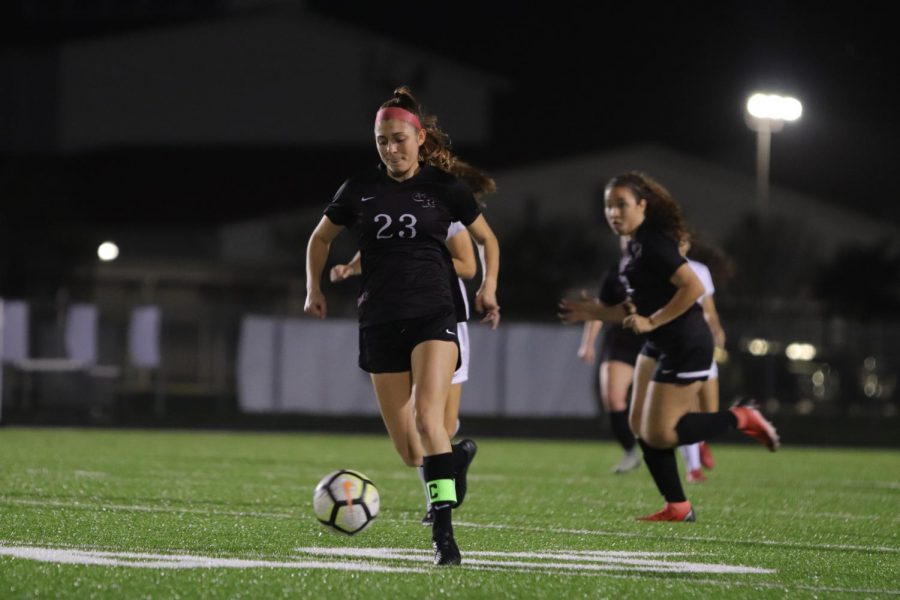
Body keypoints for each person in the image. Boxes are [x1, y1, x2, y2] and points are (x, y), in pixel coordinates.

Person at [304, 86, 500, 565]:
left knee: (429, 419)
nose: (391, 149)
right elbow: (319, 238)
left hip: (434, 315)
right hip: (379, 320)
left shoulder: (444, 187)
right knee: (411, 452)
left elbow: (487, 241)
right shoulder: (358, 189)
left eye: (398, 139)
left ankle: (445, 537)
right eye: (382, 141)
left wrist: (489, 286)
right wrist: (314, 288)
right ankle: (452, 460)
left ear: (419, 137)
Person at [560, 171, 779, 522]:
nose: (614, 212)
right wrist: (596, 312)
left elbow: (691, 287)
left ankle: (741, 417)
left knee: (661, 433)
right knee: (638, 424)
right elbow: (633, 309)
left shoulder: (653, 243)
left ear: (642, 205)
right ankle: (677, 505)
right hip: (659, 343)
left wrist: (654, 321)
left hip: (686, 343)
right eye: (608, 206)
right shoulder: (633, 247)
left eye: (622, 205)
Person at [330, 220, 478, 525]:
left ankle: (440, 504)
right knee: (416, 443)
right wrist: (351, 267)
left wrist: (419, 260)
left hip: (441, 316)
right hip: (394, 317)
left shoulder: (444, 208)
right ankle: (448, 469)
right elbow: (378, 249)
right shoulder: (389, 207)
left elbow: (468, 264)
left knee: (438, 424)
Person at [576, 238, 643, 474]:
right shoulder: (614, 274)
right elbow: (599, 310)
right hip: (622, 341)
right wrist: (588, 344)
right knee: (613, 399)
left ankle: (689, 453)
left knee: (658, 405)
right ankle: (630, 452)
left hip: (654, 340)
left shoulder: (661, 269)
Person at [677, 237, 726, 483]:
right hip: (676, 345)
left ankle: (701, 442)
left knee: (709, 411)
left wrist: (717, 329)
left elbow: (709, 308)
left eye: (682, 239)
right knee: (687, 409)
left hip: (702, 342)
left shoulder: (699, 270)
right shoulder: (658, 270)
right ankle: (692, 468)